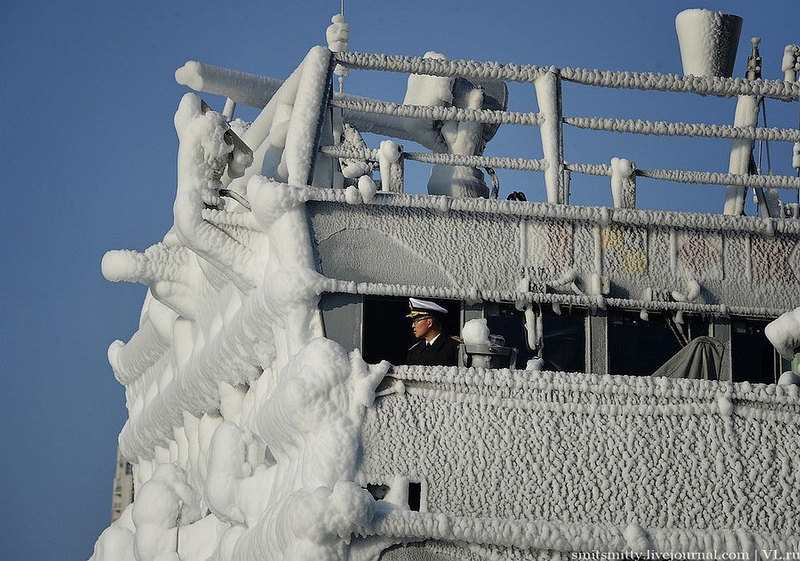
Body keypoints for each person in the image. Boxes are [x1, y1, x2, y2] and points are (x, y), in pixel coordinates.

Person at [405, 298, 462, 366]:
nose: (413, 326)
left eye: (416, 321)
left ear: (429, 323)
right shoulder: (414, 351)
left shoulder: (455, 347)